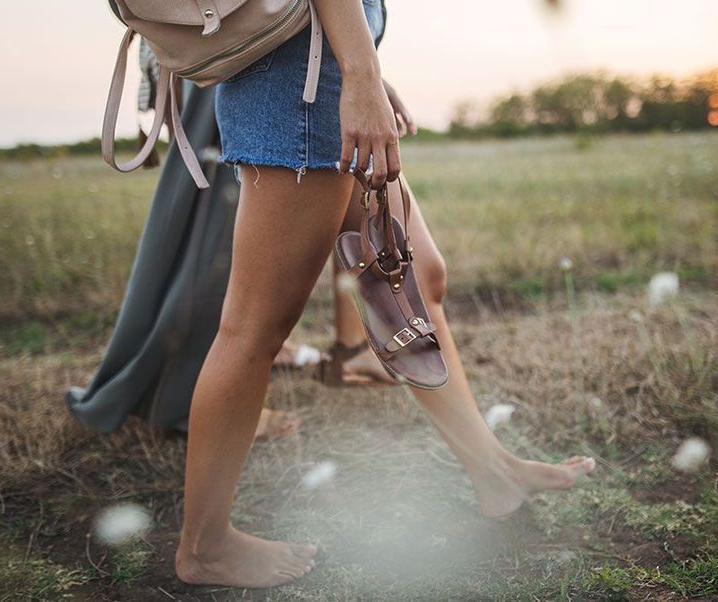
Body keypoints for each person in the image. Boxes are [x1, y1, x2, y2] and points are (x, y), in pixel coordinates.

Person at [173, 0, 597, 588]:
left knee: (417, 280)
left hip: (322, 68)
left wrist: (365, 66)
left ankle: (494, 472)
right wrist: (361, 77)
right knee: (254, 328)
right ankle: (205, 547)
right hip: (299, 87)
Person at [66, 5, 398, 441]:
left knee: (235, 249)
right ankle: (190, 391)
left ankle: (225, 378)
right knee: (223, 247)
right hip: (256, 47)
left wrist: (367, 74)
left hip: (278, 42)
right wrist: (362, 76)